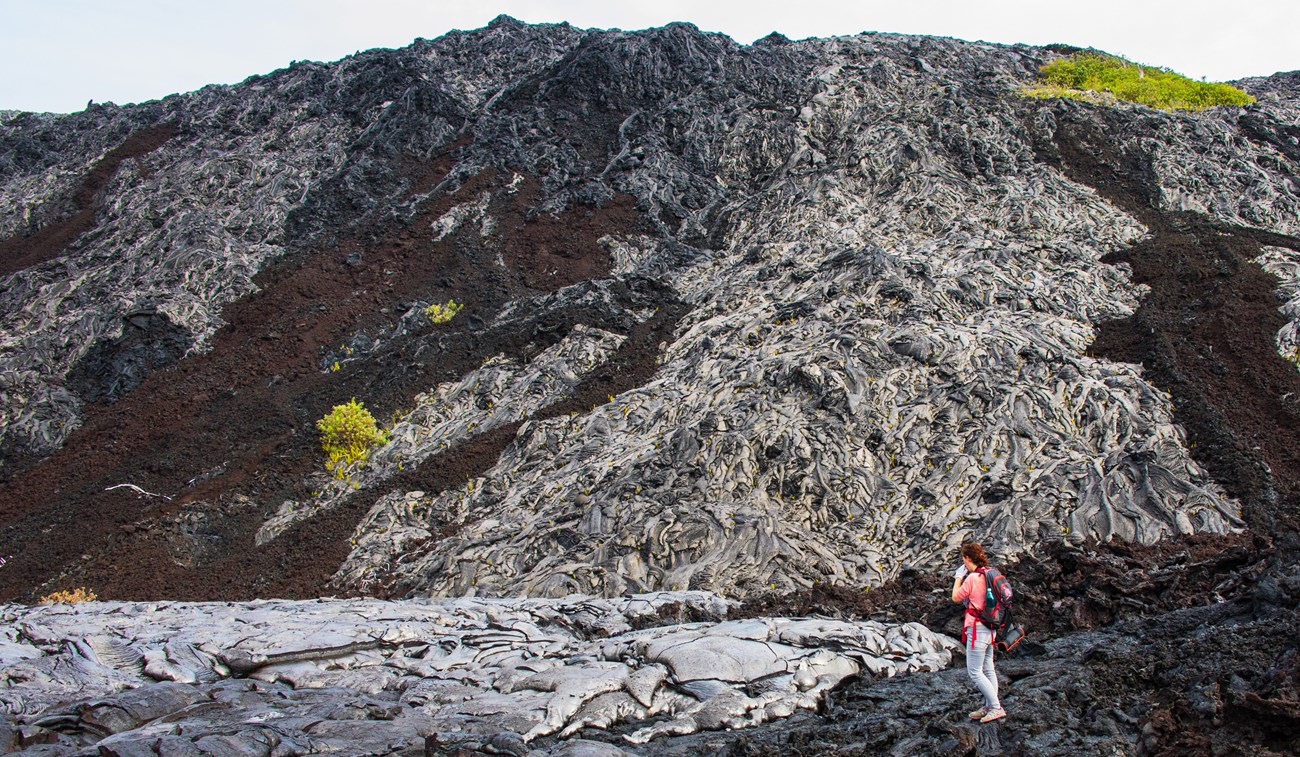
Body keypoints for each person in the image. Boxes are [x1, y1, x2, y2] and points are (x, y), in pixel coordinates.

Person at [952, 541, 1006, 723]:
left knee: (974, 671)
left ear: (967, 559)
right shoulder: (990, 573)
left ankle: (996, 707)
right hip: (990, 628)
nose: (963, 563)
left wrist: (958, 577)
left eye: (963, 559)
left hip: (977, 629)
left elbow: (956, 597)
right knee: (988, 668)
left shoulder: (973, 578)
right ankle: (989, 706)